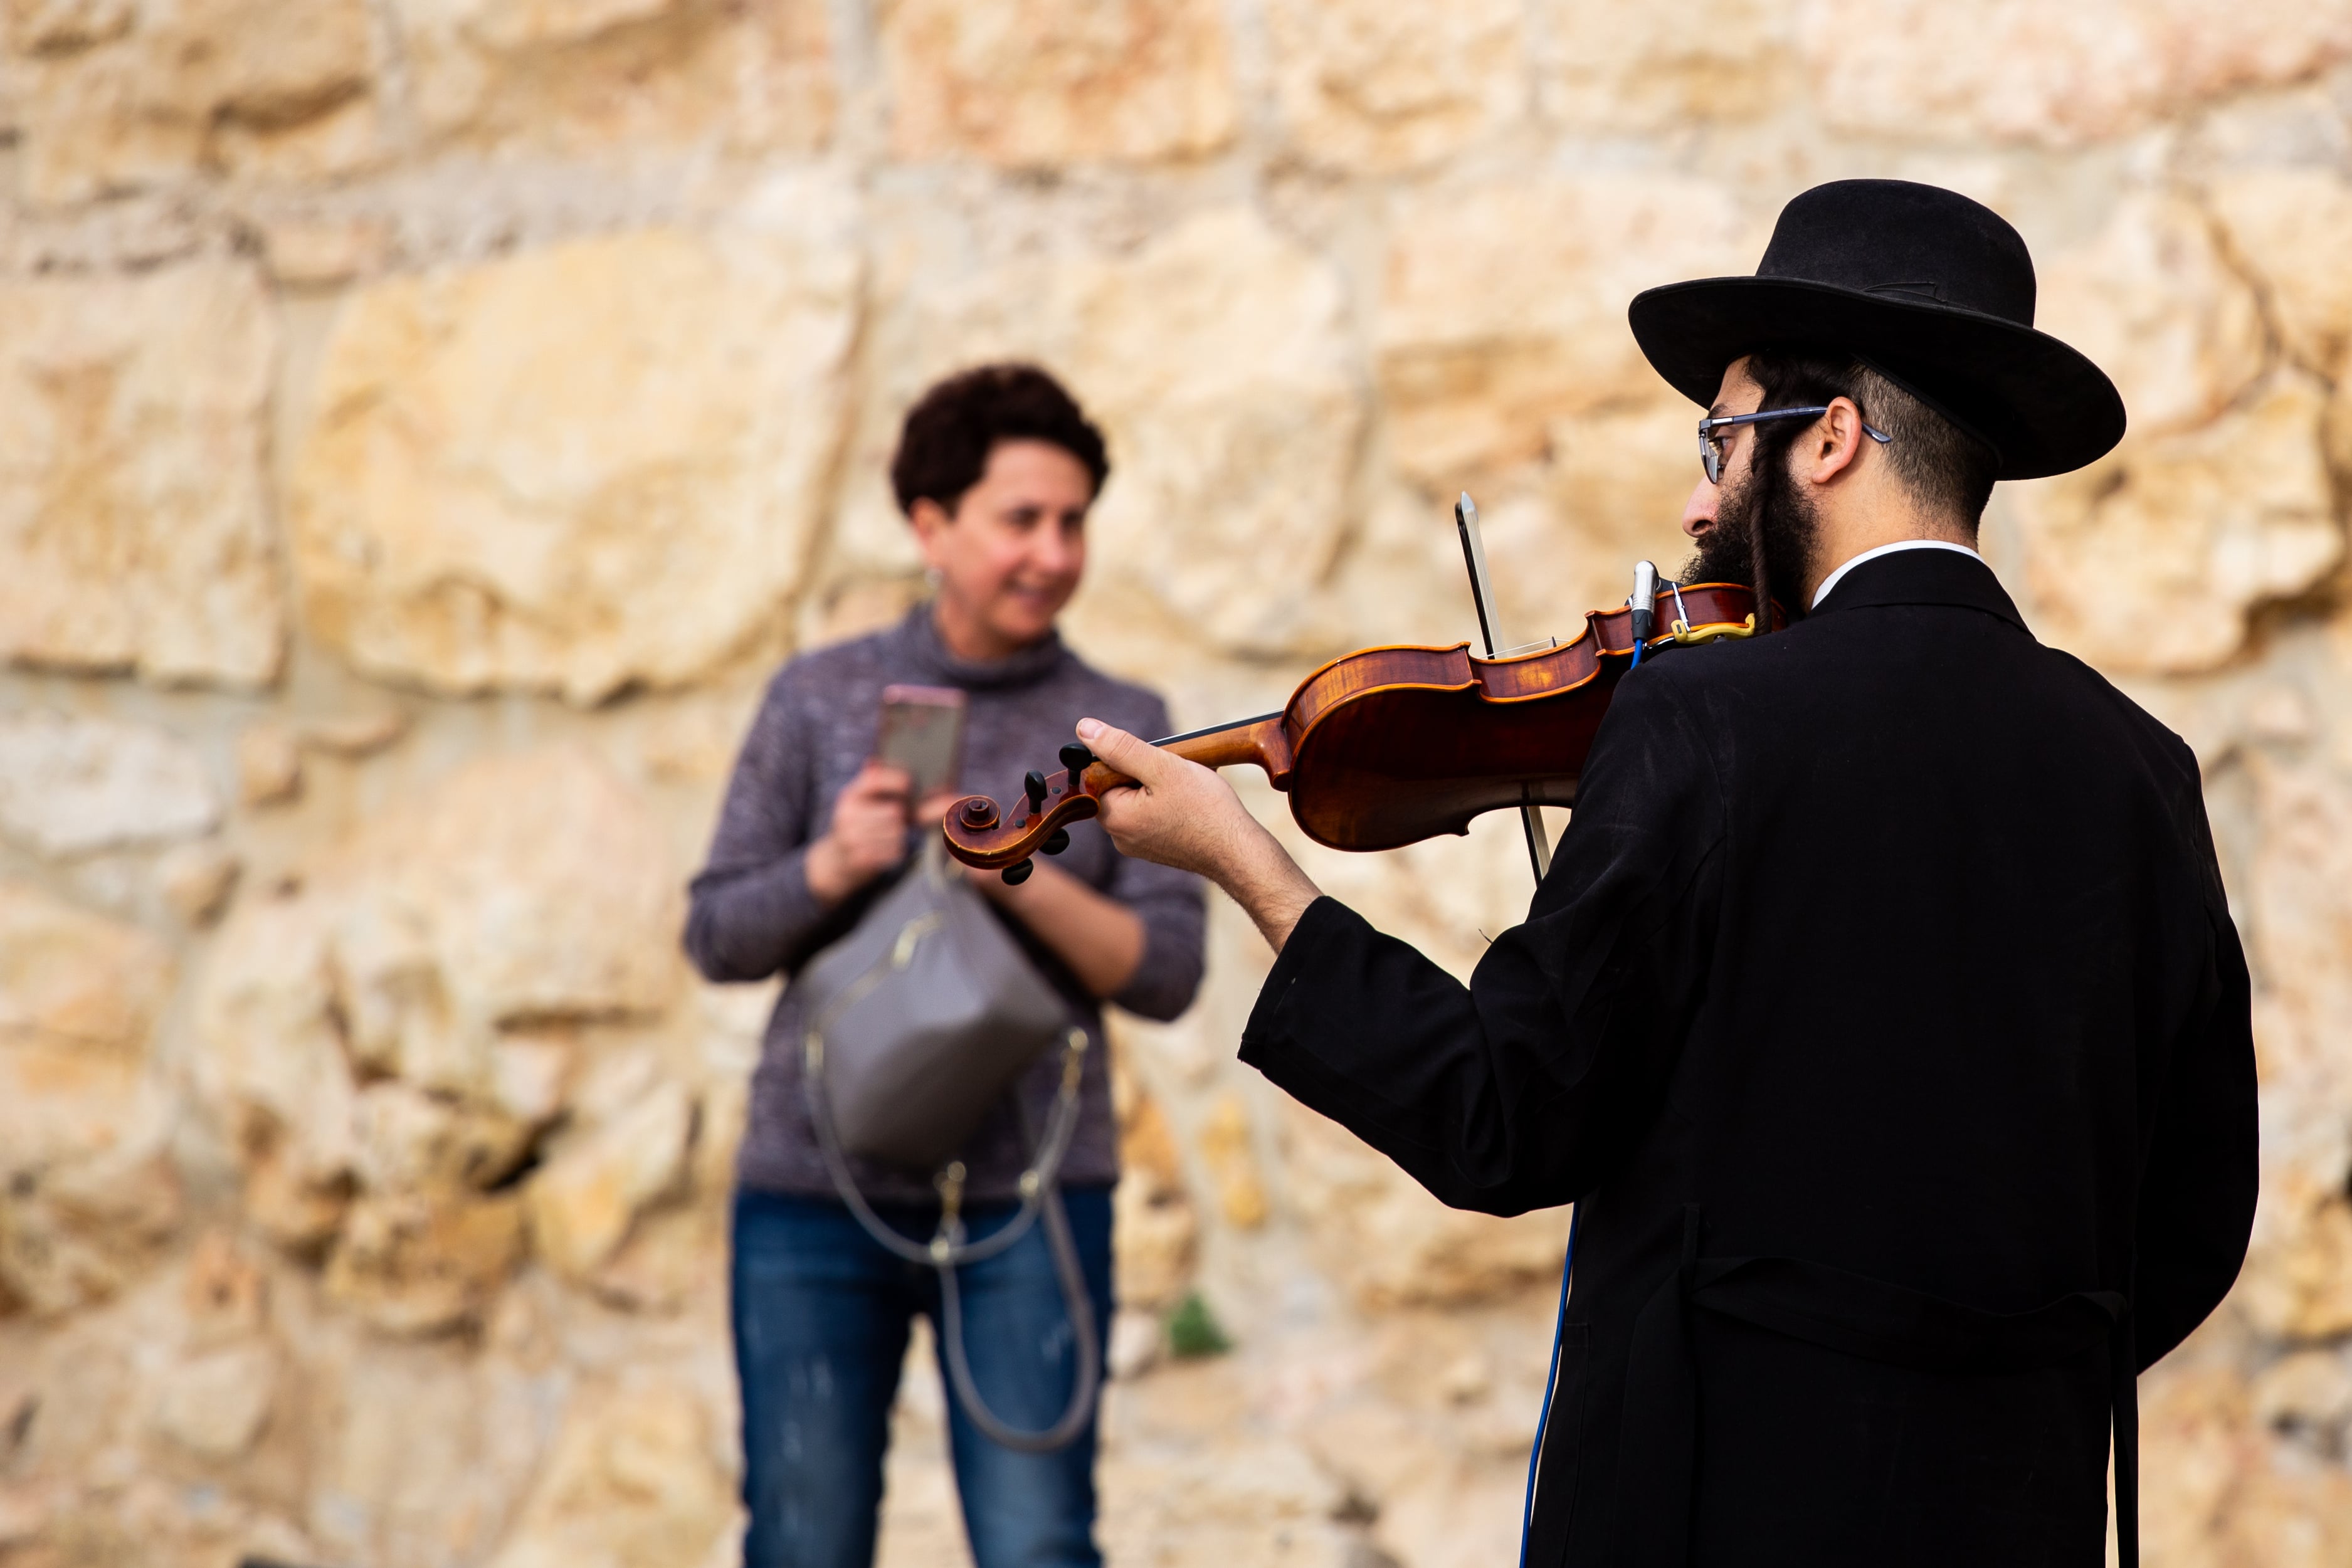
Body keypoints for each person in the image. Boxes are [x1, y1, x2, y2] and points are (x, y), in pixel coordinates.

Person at [1067, 182, 2257, 1565]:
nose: (1699, 498)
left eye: (1719, 438)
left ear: (1826, 441)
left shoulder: (1705, 719)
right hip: (2020, 1508)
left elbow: (1503, 1119)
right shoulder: (2139, 767)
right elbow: (2192, 1212)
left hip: (1718, 1501)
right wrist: (1991, 1374)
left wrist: (1248, 866)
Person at [686, 364, 1206, 1568]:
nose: (1054, 551)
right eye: (1020, 519)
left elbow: (1165, 971)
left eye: (1073, 522)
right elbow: (716, 934)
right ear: (930, 525)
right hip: (814, 1192)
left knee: (1040, 1546)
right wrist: (832, 864)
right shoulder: (819, 697)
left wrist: (1002, 870)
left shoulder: (1119, 718)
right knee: (804, 1544)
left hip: (1035, 1194)